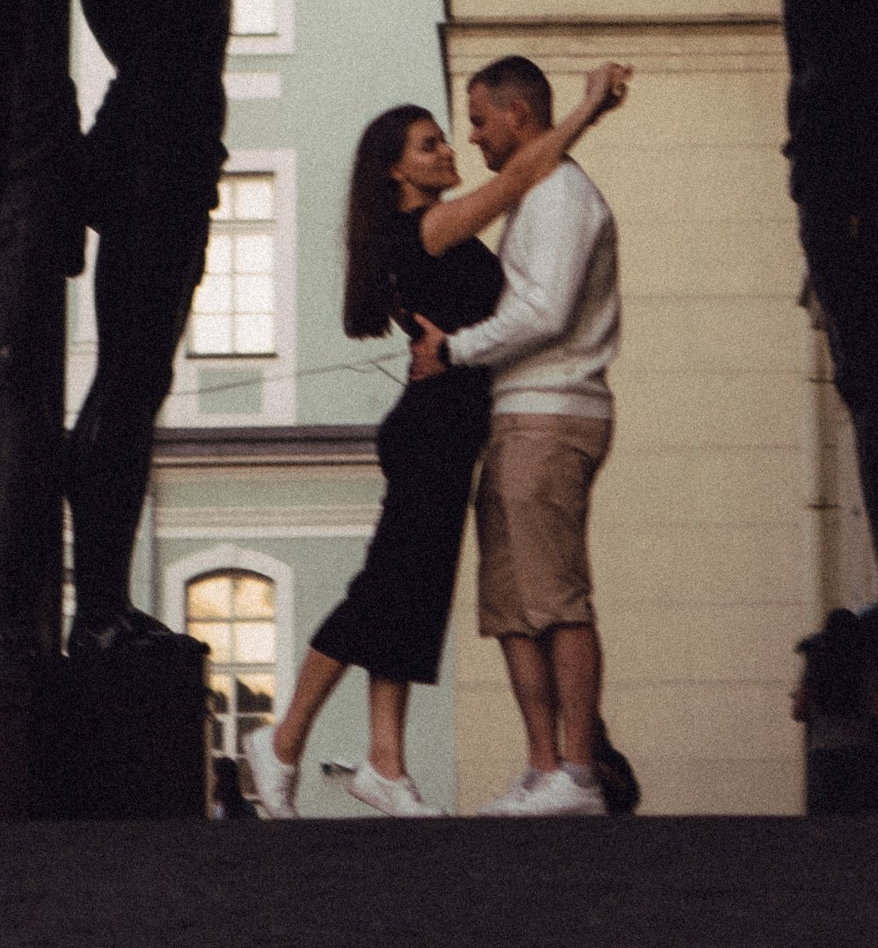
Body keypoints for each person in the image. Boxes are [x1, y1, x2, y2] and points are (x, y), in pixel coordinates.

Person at [243, 61, 628, 823]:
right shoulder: (425, 226)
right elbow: (515, 184)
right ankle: (283, 742)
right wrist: (586, 110)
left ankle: (386, 764)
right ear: (394, 171)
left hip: (453, 431)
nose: (452, 148)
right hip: (431, 433)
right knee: (384, 592)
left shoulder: (425, 229)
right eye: (429, 145)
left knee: (412, 599)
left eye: (456, 133)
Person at [406, 52, 624, 817]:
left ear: (518, 116)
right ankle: (542, 767)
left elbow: (546, 313)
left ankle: (581, 771)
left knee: (557, 596)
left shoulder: (563, 194)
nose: (473, 139)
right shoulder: (535, 191)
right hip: (516, 412)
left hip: (556, 411)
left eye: (477, 119)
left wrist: (454, 348)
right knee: (511, 604)